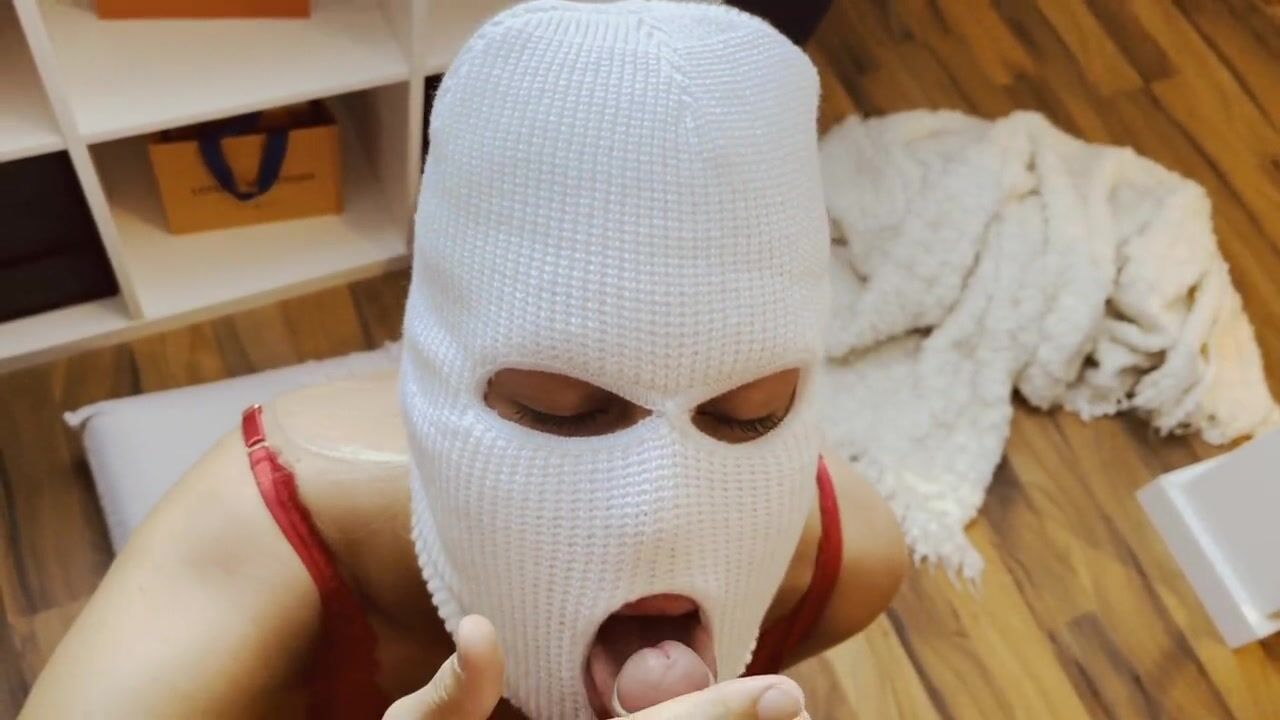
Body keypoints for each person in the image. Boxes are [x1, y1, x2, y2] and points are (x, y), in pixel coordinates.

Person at [20, 2, 906, 719]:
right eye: (561, 413)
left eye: (746, 415)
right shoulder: (255, 547)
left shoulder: (844, 567)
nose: (655, 514)